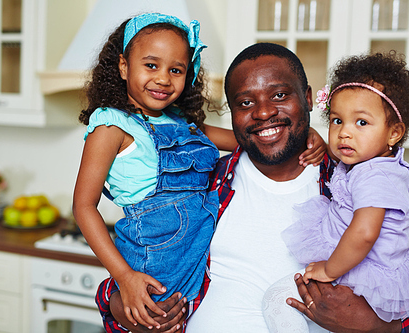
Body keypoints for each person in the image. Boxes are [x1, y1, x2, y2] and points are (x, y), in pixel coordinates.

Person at [95, 43, 409, 333]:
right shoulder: (203, 183)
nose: (264, 112)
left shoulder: (349, 183)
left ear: (310, 99)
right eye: (245, 103)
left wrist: (379, 326)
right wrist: (120, 306)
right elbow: (145, 264)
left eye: (280, 95)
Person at [73, 14, 324, 331]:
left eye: (175, 70)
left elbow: (253, 137)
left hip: (194, 257)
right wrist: (124, 278)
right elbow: (83, 206)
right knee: (155, 318)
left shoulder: (183, 123)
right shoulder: (111, 125)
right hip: (153, 255)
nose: (164, 79)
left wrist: (308, 135)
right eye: (151, 65)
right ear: (123, 66)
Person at [264, 51, 409, 332]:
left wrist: (329, 270)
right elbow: (338, 151)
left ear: (394, 132)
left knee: (279, 300)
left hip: (360, 271)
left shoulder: (374, 175)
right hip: (357, 266)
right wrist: (316, 140)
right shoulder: (370, 164)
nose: (344, 133)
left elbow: (364, 233)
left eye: (361, 122)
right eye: (337, 121)